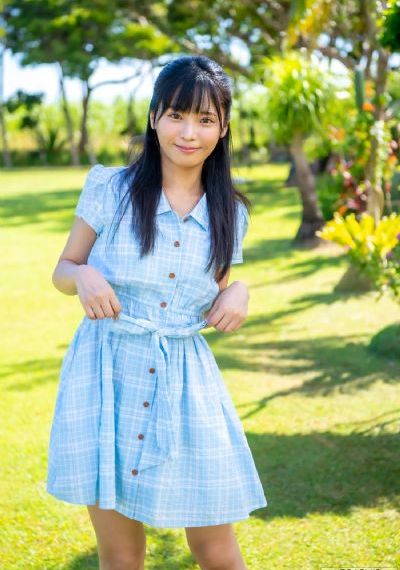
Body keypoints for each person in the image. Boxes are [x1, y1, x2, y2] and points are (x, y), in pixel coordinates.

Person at [46, 54, 267, 570]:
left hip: (185, 382)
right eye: (176, 115)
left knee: (216, 549)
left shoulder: (230, 212)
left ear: (223, 128)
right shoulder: (110, 189)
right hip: (106, 374)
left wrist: (239, 292)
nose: (189, 132)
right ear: (154, 118)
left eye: (205, 119)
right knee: (121, 555)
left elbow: (212, 298)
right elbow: (63, 269)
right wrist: (82, 276)